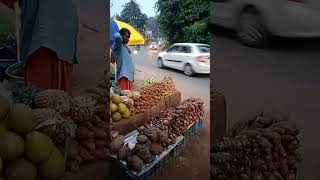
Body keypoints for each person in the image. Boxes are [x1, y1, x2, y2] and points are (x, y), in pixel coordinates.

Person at [0, 0, 78, 94]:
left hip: (43, 36)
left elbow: (28, 20)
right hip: (65, 25)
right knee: (61, 93)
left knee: (41, 92)